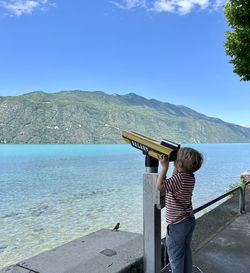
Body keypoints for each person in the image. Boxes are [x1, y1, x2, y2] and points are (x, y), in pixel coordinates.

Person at [156, 147, 203, 273]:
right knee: (186, 251)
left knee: (175, 257)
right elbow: (174, 179)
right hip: (189, 220)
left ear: (179, 164)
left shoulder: (178, 179)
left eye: (175, 160)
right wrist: (175, 167)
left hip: (177, 224)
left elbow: (160, 186)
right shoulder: (190, 177)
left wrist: (164, 167)